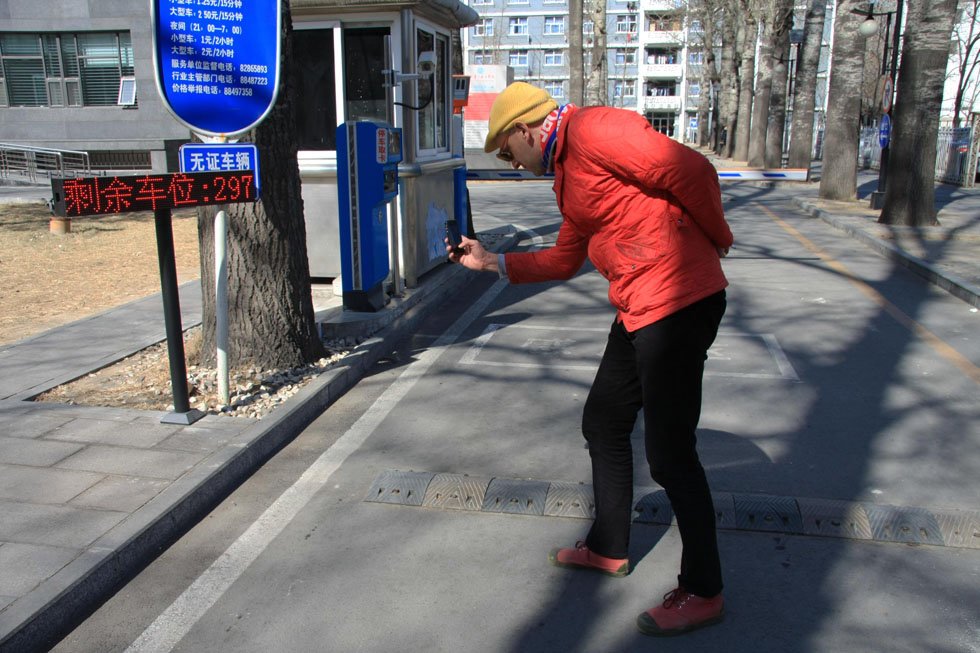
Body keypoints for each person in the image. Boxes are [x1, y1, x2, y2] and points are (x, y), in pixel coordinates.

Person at [449, 82, 734, 637]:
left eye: (508, 150)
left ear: (526, 129)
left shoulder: (596, 130)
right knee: (603, 419)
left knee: (671, 455)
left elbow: (690, 170)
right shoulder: (567, 174)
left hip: (678, 299)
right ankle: (608, 545)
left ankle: (705, 589)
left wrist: (717, 235)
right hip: (639, 306)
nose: (512, 161)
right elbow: (562, 260)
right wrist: (492, 263)